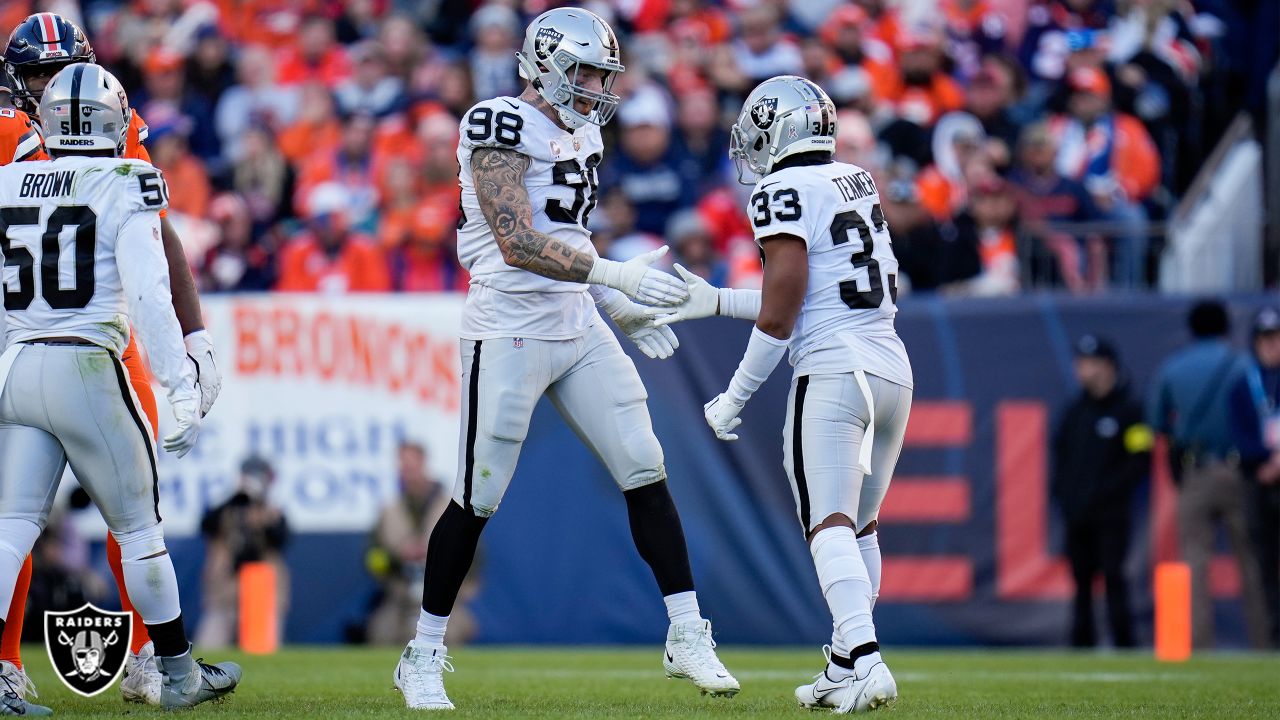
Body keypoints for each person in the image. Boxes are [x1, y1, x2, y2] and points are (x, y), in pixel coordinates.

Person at [393, 8, 738, 711]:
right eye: (585, 71)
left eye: (601, 74)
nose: (595, 87)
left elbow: (568, 230)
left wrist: (612, 304)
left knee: (644, 463)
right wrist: (616, 279)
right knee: (478, 493)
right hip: (509, 326)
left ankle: (686, 631)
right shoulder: (497, 122)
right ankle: (423, 651)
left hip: (576, 321)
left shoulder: (585, 128)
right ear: (545, 63)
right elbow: (519, 239)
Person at [650, 75, 909, 713]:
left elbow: (783, 308)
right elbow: (810, 291)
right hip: (889, 364)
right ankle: (847, 661)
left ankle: (867, 661)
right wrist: (714, 301)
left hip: (834, 368)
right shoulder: (855, 179)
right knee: (860, 526)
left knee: (828, 524)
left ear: (778, 131)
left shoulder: (781, 187)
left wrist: (734, 396)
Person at [0, 63, 239, 713]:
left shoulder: (8, 179)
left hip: (18, 366)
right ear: (116, 121)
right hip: (87, 367)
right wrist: (179, 382)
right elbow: (150, 293)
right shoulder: (127, 179)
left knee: (10, 529)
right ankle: (177, 674)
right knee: (138, 530)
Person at [1148, 300, 1271, 648]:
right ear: (1224, 327)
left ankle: (1198, 645)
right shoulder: (1243, 365)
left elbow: (1158, 424)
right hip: (1240, 472)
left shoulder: (1174, 368)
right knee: (1253, 562)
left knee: (1194, 562)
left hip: (1196, 472)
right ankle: (1265, 643)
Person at [1051, 336, 1150, 648]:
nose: (1080, 369)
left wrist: (1107, 494)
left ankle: (1125, 643)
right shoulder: (1075, 411)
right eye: (1079, 362)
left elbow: (1140, 459)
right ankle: (1081, 644)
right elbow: (1061, 457)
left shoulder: (1130, 410)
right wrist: (1066, 497)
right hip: (1078, 514)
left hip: (1111, 515)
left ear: (1107, 366)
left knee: (1113, 578)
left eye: (1088, 362)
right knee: (1080, 582)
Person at [365, 443, 457, 645]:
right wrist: (398, 557)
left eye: (411, 466)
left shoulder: (450, 507)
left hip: (443, 597)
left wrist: (433, 554)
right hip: (399, 595)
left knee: (451, 633)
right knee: (381, 633)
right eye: (403, 467)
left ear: (424, 464)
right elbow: (373, 558)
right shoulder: (389, 511)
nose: (407, 472)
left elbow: (469, 555)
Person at [196, 457, 290, 649]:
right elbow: (206, 525)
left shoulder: (272, 512)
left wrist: (262, 519)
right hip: (225, 589)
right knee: (209, 646)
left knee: (261, 645)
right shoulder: (226, 509)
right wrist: (235, 498)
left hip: (260, 588)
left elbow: (280, 539)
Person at [1227, 308, 1280, 647]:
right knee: (1262, 560)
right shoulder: (1245, 384)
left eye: (1275, 338)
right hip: (1258, 479)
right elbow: (1239, 434)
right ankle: (1270, 637)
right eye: (1264, 338)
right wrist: (1265, 462)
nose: (1270, 345)